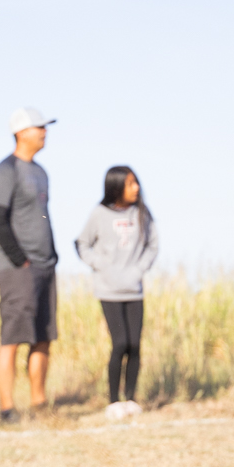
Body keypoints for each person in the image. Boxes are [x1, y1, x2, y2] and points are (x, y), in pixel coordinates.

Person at [0, 107, 58, 421]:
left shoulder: (41, 171)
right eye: (39, 127)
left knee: (43, 335)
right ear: (21, 132)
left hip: (46, 266)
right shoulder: (5, 171)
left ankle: (38, 403)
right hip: (18, 270)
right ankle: (7, 407)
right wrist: (21, 261)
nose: (44, 132)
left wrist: (51, 256)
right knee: (13, 337)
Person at [76, 164, 161, 418]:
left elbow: (153, 244)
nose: (136, 188)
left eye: (136, 183)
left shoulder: (142, 213)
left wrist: (139, 269)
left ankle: (131, 399)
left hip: (134, 289)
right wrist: (100, 265)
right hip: (108, 290)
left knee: (135, 344)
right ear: (116, 187)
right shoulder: (99, 214)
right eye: (130, 183)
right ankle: (113, 402)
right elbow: (82, 244)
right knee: (120, 342)